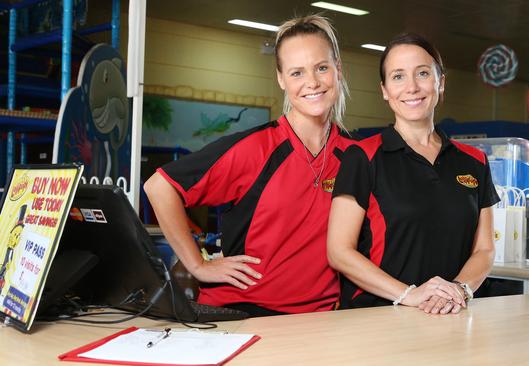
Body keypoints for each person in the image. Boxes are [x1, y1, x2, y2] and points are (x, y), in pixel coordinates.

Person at [144, 15, 357, 316]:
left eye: (322, 67)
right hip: (244, 311)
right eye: (297, 72)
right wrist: (198, 264)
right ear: (282, 79)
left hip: (317, 319)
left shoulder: (355, 155)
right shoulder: (255, 149)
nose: (312, 82)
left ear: (338, 70)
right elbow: (159, 186)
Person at [327, 33, 499, 315]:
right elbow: (339, 251)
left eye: (422, 73)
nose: (412, 87)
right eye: (398, 77)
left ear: (440, 82)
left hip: (450, 317)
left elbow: (484, 249)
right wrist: (409, 294)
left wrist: (460, 289)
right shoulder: (363, 157)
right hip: (376, 317)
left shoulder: (474, 161)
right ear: (384, 90)